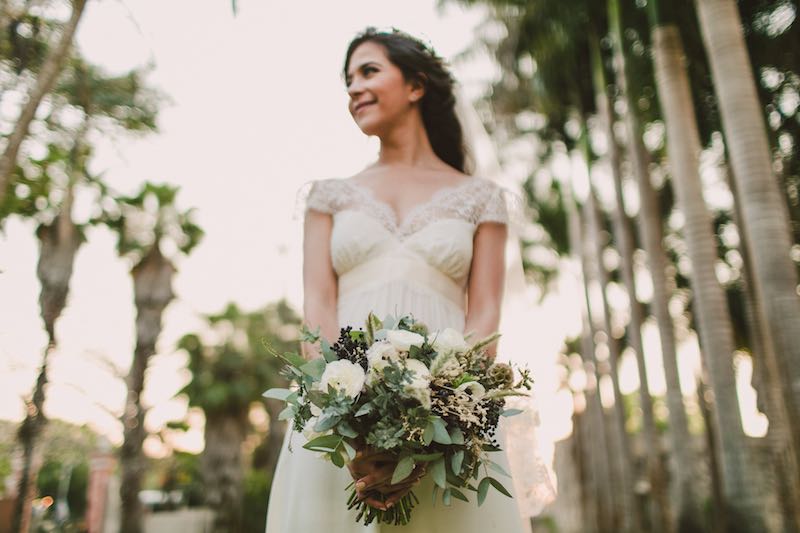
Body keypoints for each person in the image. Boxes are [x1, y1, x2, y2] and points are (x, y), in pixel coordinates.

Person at [265, 27, 532, 533]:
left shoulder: (481, 198)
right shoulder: (328, 197)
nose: (353, 89)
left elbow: (485, 319)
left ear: (415, 85)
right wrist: (351, 423)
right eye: (347, 80)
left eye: (368, 71)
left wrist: (434, 422)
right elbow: (318, 308)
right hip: (339, 423)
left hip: (447, 424)